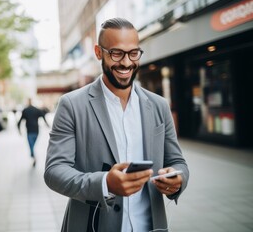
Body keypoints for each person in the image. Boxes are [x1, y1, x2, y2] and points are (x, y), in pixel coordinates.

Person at [44, 18, 189, 232]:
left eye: (133, 53)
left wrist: (177, 180)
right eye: (116, 53)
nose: (127, 63)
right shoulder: (72, 105)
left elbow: (178, 162)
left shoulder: (159, 105)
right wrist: (105, 184)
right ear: (98, 52)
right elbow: (54, 171)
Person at [17, 98, 49, 167]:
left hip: (29, 131)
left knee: (31, 145)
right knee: (32, 145)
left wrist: (19, 130)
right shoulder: (36, 110)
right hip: (36, 131)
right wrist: (47, 124)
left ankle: (33, 155)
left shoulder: (25, 110)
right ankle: (33, 155)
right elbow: (43, 116)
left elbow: (19, 121)